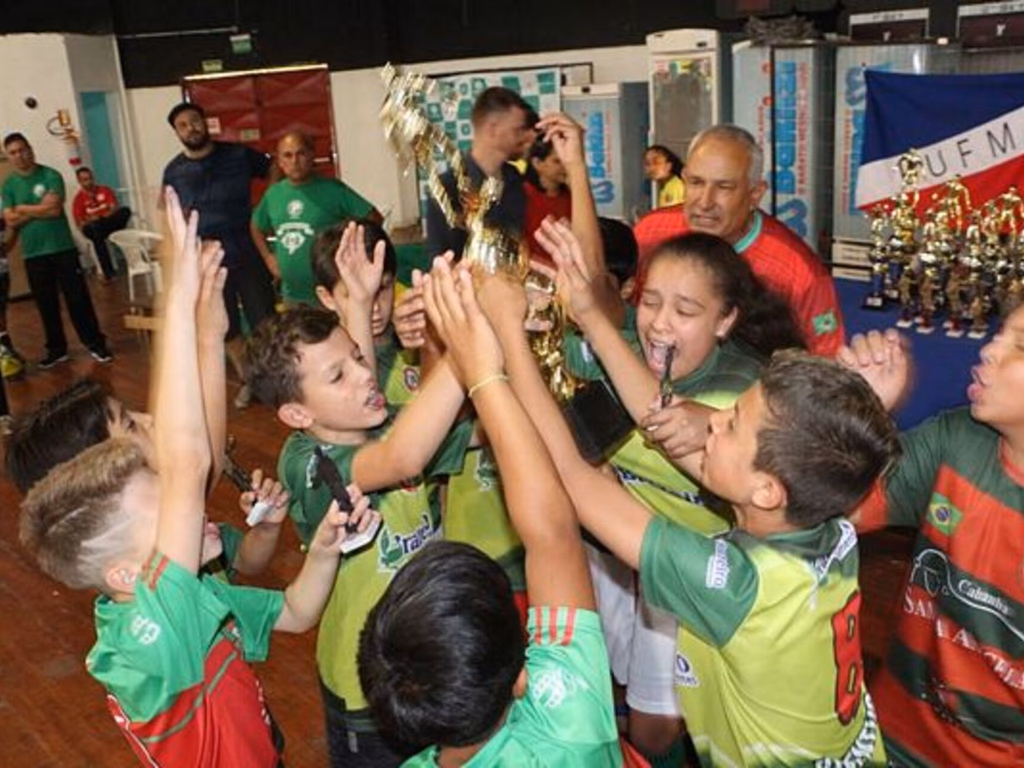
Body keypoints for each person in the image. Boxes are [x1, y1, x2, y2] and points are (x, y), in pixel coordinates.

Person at [482, 256, 896, 765]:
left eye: (732, 423)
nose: (711, 423)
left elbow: (574, 478)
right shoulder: (826, 514)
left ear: (767, 491)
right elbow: (661, 419)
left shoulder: (734, 586)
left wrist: (505, 338)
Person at [18, 188, 377, 767]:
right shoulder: (141, 638)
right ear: (129, 572)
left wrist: (325, 551)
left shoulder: (195, 595)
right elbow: (189, 463)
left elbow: (296, 612)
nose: (189, 509)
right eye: (171, 513)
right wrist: (177, 302)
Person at [548, 219, 803, 765]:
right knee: (626, 700)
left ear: (726, 320)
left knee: (656, 732)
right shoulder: (611, 352)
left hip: (708, 580)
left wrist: (593, 320)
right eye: (649, 303)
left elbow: (655, 419)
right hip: (633, 551)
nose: (660, 325)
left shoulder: (750, 392)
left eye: (685, 312)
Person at [358, 256, 623, 767]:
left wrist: (461, 359)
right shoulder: (568, 731)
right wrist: (484, 371)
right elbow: (553, 535)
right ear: (525, 676)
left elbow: (552, 535)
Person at [244, 269, 476, 766]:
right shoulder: (307, 463)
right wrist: (465, 345)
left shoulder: (389, 421)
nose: (365, 374)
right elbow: (402, 458)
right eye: (338, 376)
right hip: (366, 694)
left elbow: (469, 432)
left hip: (433, 660)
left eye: (356, 356)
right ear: (298, 415)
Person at [839, 318, 1024, 767]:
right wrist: (858, 413)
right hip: (890, 737)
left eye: (1018, 345)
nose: (988, 350)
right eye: (998, 334)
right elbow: (833, 511)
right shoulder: (958, 439)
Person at [633, 124, 845, 358]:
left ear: (755, 193)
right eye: (695, 183)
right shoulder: (650, 233)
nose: (704, 202)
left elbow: (825, 364)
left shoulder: (798, 272)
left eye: (724, 187)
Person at [162, 102, 276, 408]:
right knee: (227, 328)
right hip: (208, 260)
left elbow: (273, 168)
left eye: (194, 121)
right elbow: (169, 214)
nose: (191, 128)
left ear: (205, 123)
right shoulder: (173, 172)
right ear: (176, 132)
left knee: (264, 320)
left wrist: (269, 207)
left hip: (247, 250)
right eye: (183, 125)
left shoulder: (238, 154)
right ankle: (249, 382)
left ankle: (276, 381)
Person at [1, 133, 111, 367]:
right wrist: (35, 209)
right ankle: (57, 350)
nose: (19, 155)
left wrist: (22, 209)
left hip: (62, 249)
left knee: (78, 299)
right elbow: (10, 219)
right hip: (33, 254)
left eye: (22, 149)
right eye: (13, 152)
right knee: (46, 304)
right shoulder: (8, 185)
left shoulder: (51, 175)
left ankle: (95, 344)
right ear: (8, 157)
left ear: (30, 149)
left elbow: (53, 211)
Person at [252, 131, 382, 306]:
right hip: (292, 297)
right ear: (280, 162)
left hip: (331, 295)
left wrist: (354, 254)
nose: (295, 161)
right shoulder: (273, 194)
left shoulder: (333, 190)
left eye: (301, 153)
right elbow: (256, 227)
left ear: (312, 155)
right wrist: (268, 257)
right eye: (288, 156)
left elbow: (373, 219)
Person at [311, 219, 419, 407]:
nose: (374, 307)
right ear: (327, 298)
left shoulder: (411, 335)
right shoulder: (328, 369)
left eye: (382, 289)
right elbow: (363, 405)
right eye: (354, 295)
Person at [425, 87, 533, 259]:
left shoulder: (516, 181)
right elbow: (440, 263)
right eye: (517, 130)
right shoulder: (447, 189)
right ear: (492, 130)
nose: (523, 138)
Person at [71, 166, 131, 280]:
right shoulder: (78, 199)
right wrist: (91, 220)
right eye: (84, 180)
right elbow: (80, 222)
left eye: (90, 178)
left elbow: (113, 208)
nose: (88, 182)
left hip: (106, 221)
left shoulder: (104, 190)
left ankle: (111, 233)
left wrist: (101, 216)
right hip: (92, 228)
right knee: (96, 231)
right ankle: (109, 273)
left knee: (125, 211)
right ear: (79, 181)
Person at [523, 134, 571, 264]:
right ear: (537, 163)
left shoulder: (572, 196)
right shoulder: (522, 195)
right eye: (557, 161)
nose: (565, 166)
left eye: (567, 160)